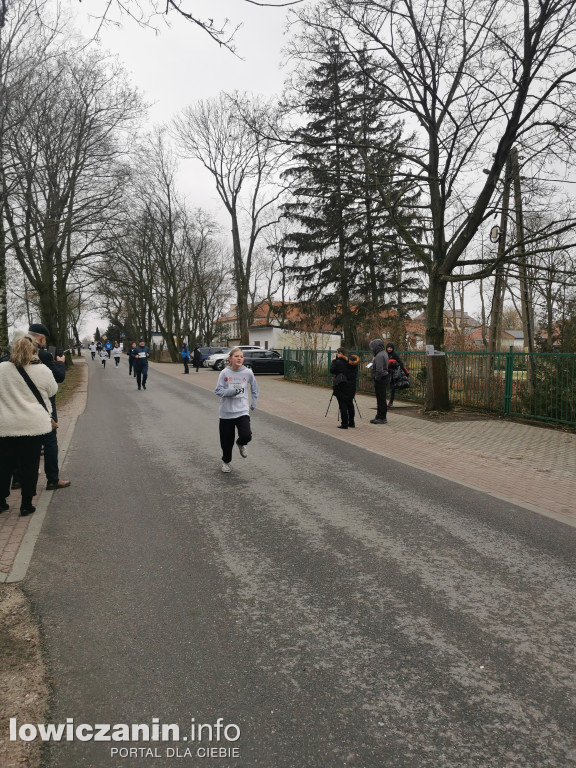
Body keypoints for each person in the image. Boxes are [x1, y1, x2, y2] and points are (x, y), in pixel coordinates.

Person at [0, 337, 58, 515]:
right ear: (34, 351)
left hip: (6, 424)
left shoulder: (1, 369)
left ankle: (1, 501)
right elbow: (53, 390)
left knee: (4, 465)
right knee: (30, 465)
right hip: (32, 426)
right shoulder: (42, 370)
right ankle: (26, 504)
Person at [26, 323, 71, 490]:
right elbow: (58, 378)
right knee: (50, 441)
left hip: (23, 405)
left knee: (25, 442)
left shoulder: (14, 355)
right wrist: (60, 363)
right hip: (44, 407)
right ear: (41, 338)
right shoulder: (43, 355)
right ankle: (52, 479)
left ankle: (18, 479)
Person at [214, 347, 258, 473]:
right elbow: (218, 390)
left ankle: (241, 443)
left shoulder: (248, 372)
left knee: (246, 435)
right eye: (236, 356)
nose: (239, 358)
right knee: (226, 442)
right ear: (230, 359)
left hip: (242, 410)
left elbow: (254, 388)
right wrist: (231, 392)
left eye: (241, 356)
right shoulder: (224, 373)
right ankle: (226, 462)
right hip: (226, 413)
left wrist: (254, 401)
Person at [329, 347, 360, 429]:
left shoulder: (338, 362)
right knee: (350, 403)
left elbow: (332, 370)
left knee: (342, 404)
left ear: (340, 354)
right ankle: (352, 422)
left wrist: (334, 361)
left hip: (342, 386)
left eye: (337, 353)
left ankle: (344, 424)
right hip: (352, 386)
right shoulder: (353, 362)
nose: (336, 354)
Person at [368, 338, 389, 424]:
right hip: (383, 378)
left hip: (380, 379)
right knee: (381, 399)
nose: (372, 349)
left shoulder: (379, 356)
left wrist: (376, 378)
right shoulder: (383, 353)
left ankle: (382, 417)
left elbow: (379, 370)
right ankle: (379, 415)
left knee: (381, 399)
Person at [385, 342, 409, 407]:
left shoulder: (395, 355)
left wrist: (395, 365)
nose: (389, 349)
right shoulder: (385, 354)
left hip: (393, 373)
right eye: (388, 348)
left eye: (390, 348)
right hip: (387, 373)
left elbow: (400, 363)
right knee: (385, 386)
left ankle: (390, 402)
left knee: (392, 388)